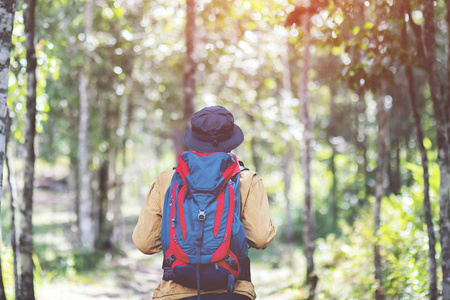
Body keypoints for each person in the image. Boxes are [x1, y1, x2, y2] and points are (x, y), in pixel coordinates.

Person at [132, 106, 277, 300]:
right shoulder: (247, 180)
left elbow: (144, 243)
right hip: (233, 290)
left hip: (175, 291)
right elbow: (260, 238)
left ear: (194, 139)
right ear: (231, 141)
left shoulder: (167, 180)